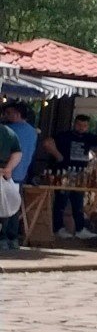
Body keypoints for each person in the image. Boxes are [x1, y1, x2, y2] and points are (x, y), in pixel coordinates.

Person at [44, 114, 97, 240]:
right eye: (79, 125)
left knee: (78, 202)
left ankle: (80, 229)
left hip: (80, 174)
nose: (82, 128)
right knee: (61, 202)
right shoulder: (65, 136)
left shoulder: (89, 137)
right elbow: (47, 143)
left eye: (85, 126)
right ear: (75, 124)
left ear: (88, 127)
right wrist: (58, 156)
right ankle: (58, 228)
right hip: (64, 173)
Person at [0, 103, 31, 252]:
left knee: (6, 208)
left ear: (18, 114)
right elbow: (19, 152)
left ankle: (4, 238)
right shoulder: (31, 131)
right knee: (11, 208)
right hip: (17, 174)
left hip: (7, 174)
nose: (7, 116)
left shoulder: (10, 130)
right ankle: (11, 239)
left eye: (9, 113)